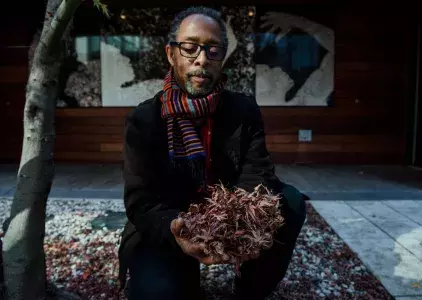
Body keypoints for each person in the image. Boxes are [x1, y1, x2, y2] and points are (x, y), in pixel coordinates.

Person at [117, 6, 308, 300]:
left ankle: (248, 291)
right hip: (173, 222)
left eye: (213, 50)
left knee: (291, 202)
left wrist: (235, 224)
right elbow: (141, 201)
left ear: (222, 57)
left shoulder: (242, 110)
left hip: (229, 212)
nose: (202, 60)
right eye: (190, 48)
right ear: (171, 54)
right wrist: (178, 231)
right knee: (158, 293)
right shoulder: (144, 121)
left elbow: (258, 174)